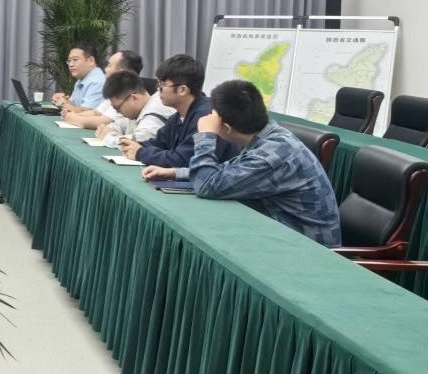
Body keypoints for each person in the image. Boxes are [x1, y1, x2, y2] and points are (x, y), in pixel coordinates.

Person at [142, 80, 341, 245]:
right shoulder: (267, 135)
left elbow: (206, 186)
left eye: (213, 117)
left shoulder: (271, 155)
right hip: (281, 233)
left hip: (308, 249)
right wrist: (175, 173)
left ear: (227, 128)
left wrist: (206, 136)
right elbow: (229, 171)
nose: (209, 119)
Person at [119, 54, 231, 168]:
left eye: (162, 85)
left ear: (182, 90)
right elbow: (160, 143)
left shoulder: (205, 116)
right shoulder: (178, 116)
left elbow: (183, 160)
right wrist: (135, 145)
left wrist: (140, 153)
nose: (158, 89)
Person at [62, 49, 143, 129]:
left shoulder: (127, 93)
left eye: (109, 65)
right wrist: (71, 114)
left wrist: (73, 118)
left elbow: (104, 121)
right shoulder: (116, 90)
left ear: (122, 72)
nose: (105, 69)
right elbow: (96, 112)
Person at [95, 71, 174, 146]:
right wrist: (108, 129)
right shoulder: (137, 111)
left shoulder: (154, 113)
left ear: (134, 98)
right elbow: (120, 125)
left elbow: (137, 143)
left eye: (118, 108)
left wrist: (107, 137)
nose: (117, 112)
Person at [50, 42, 105, 114]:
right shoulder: (82, 79)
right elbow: (74, 105)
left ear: (91, 61)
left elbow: (87, 112)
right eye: (69, 61)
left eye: (75, 60)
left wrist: (63, 104)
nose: (71, 64)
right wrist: (62, 99)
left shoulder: (97, 81)